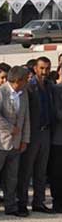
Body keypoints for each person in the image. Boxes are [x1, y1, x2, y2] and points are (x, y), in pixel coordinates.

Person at [0, 66, 31, 219]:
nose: (27, 82)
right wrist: (10, 128)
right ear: (18, 80)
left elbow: (26, 118)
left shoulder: (23, 94)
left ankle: (11, 206)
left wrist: (25, 139)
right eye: (25, 80)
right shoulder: (0, 92)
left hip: (15, 144)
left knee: (12, 177)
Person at [17, 56, 55, 215]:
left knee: (41, 170)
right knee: (26, 171)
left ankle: (39, 202)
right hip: (31, 134)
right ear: (35, 69)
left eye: (47, 68)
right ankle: (22, 203)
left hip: (46, 133)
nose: (44, 72)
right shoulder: (29, 87)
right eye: (41, 68)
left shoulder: (50, 86)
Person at [49, 81, 62, 212]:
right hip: (58, 139)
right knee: (57, 173)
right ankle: (57, 203)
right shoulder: (56, 89)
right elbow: (57, 112)